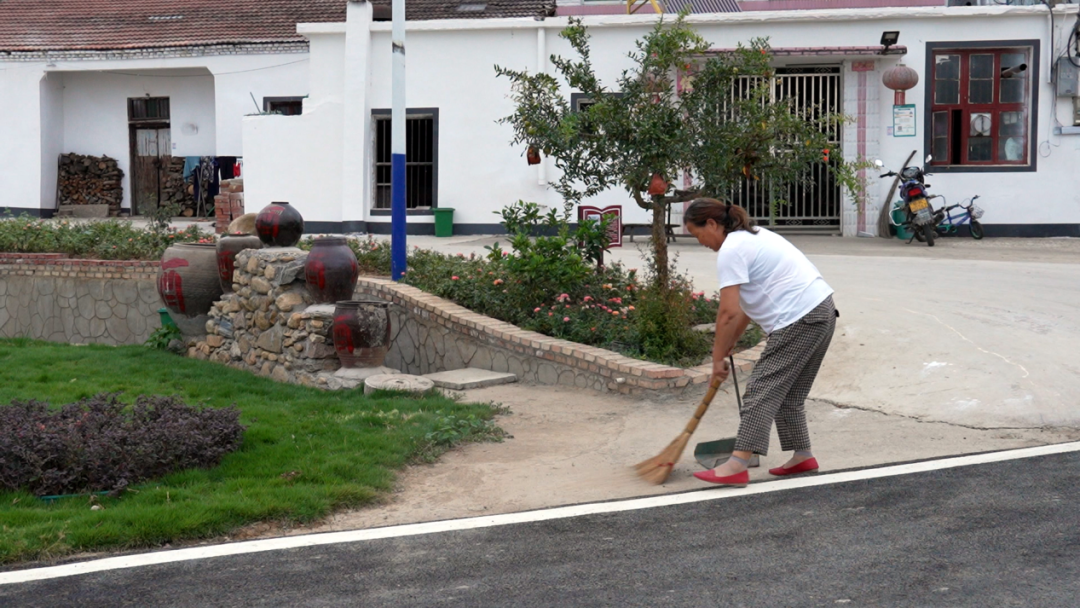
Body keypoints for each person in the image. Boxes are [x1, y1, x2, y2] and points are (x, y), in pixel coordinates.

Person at [682, 198, 837, 487]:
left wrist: (717, 359)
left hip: (799, 317)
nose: (700, 241)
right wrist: (728, 345)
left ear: (712, 224)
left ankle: (737, 464)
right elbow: (742, 308)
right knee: (789, 394)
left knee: (760, 391)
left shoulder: (731, 250)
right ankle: (802, 455)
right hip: (822, 310)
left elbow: (727, 312)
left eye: (697, 233)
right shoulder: (754, 236)